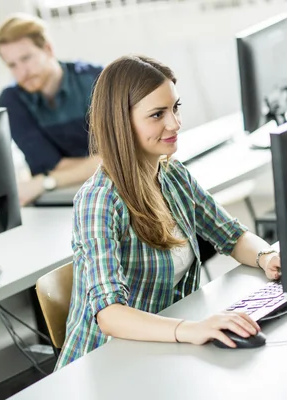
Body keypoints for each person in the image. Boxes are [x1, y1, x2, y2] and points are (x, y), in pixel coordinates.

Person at [57, 55, 282, 369]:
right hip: (107, 363)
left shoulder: (173, 174)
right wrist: (192, 329)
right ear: (121, 122)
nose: (174, 123)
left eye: (175, 108)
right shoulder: (99, 200)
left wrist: (268, 257)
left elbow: (231, 236)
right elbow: (109, 315)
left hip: (164, 348)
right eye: (157, 114)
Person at [0, 13, 103, 206]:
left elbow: (124, 158)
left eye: (26, 58)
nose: (22, 72)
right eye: (12, 65)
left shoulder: (97, 80)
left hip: (110, 191)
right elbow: (49, 164)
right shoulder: (12, 99)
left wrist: (46, 181)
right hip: (58, 196)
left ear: (48, 49)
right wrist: (100, 164)